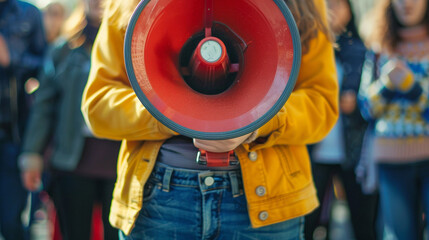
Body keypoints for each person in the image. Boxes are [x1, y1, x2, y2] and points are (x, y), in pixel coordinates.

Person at [81, 0, 338, 239]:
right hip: (159, 200)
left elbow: (322, 104)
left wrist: (257, 122)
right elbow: (99, 106)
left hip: (268, 204)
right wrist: (170, 113)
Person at [18, 0, 120, 239]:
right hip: (73, 163)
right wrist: (32, 155)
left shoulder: (131, 47)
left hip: (119, 163)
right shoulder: (63, 50)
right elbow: (44, 106)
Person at [304, 0, 379, 239]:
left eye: (338, 4)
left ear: (350, 10)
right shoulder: (306, 49)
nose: (331, 10)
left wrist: (355, 104)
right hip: (315, 150)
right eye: (327, 4)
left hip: (353, 151)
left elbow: (372, 99)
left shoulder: (361, 50)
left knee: (361, 221)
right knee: (310, 223)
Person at [358, 0, 429, 239]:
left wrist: (411, 87)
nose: (406, 3)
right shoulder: (379, 46)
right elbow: (365, 107)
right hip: (391, 161)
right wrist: (387, 85)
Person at [0, 0, 46, 239]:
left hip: (13, 134)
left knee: (11, 221)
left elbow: (46, 67)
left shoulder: (29, 13)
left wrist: (11, 58)